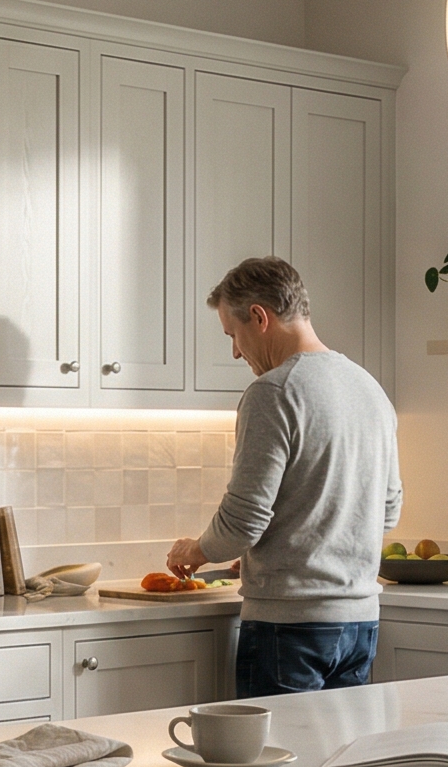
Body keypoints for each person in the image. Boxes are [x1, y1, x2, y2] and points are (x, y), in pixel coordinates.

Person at [166, 256, 401, 697]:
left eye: (232, 334)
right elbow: (386, 511)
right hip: (360, 625)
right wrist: (277, 551)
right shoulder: (370, 389)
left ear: (259, 317)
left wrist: (195, 550)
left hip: (289, 628)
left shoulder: (273, 392)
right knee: (339, 742)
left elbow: (242, 521)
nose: (236, 352)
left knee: (275, 744)